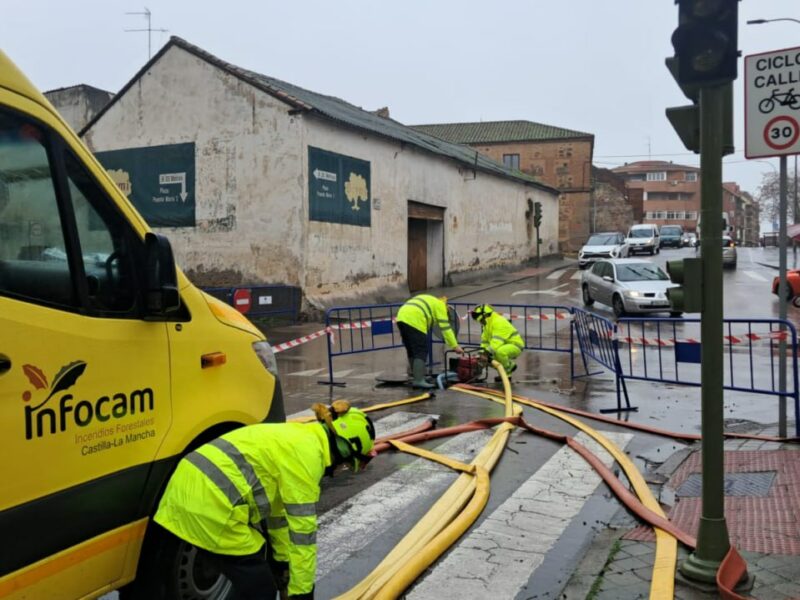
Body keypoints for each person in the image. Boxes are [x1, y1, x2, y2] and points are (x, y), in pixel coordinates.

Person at [152, 400, 376, 600]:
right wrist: (301, 594)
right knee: (261, 590)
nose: (341, 469)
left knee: (253, 570)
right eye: (348, 463)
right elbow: (303, 537)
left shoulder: (301, 436)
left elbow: (278, 515)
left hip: (181, 489)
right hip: (212, 506)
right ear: (345, 447)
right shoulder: (309, 458)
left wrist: (282, 563)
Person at [396, 294, 464, 389]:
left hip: (401, 317)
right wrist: (455, 346)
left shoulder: (433, 301)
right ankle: (419, 380)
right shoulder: (441, 307)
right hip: (415, 319)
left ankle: (417, 376)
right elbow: (446, 328)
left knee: (412, 349)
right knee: (421, 350)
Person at [470, 304, 524, 382]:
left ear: (485, 315)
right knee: (487, 359)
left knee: (500, 352)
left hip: (515, 345)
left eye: (480, 319)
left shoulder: (498, 321)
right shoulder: (487, 324)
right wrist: (481, 353)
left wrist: (486, 353)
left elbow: (497, 341)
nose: (480, 322)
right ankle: (508, 371)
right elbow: (485, 341)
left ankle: (508, 371)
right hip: (501, 345)